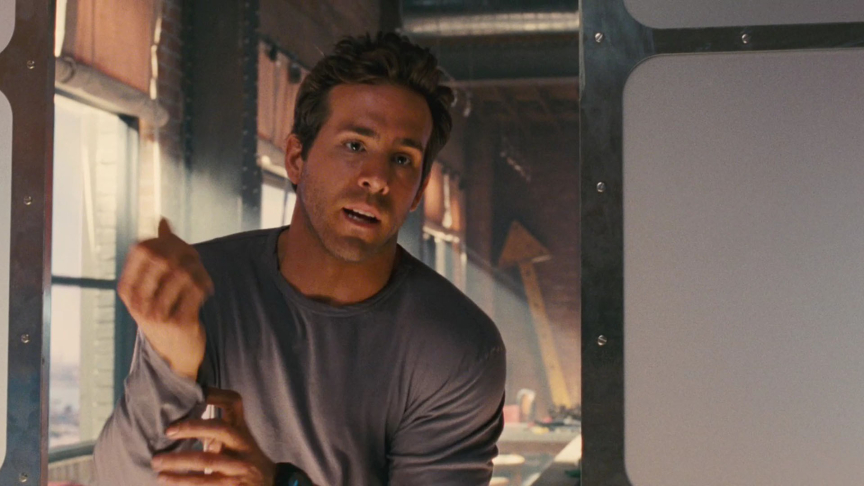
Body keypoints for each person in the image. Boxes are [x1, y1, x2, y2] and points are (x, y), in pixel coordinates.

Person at [94, 32, 506, 486]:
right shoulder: (201, 287)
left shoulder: (457, 348)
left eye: (403, 159)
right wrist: (172, 363)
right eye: (355, 145)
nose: (377, 178)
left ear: (418, 192)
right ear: (295, 158)